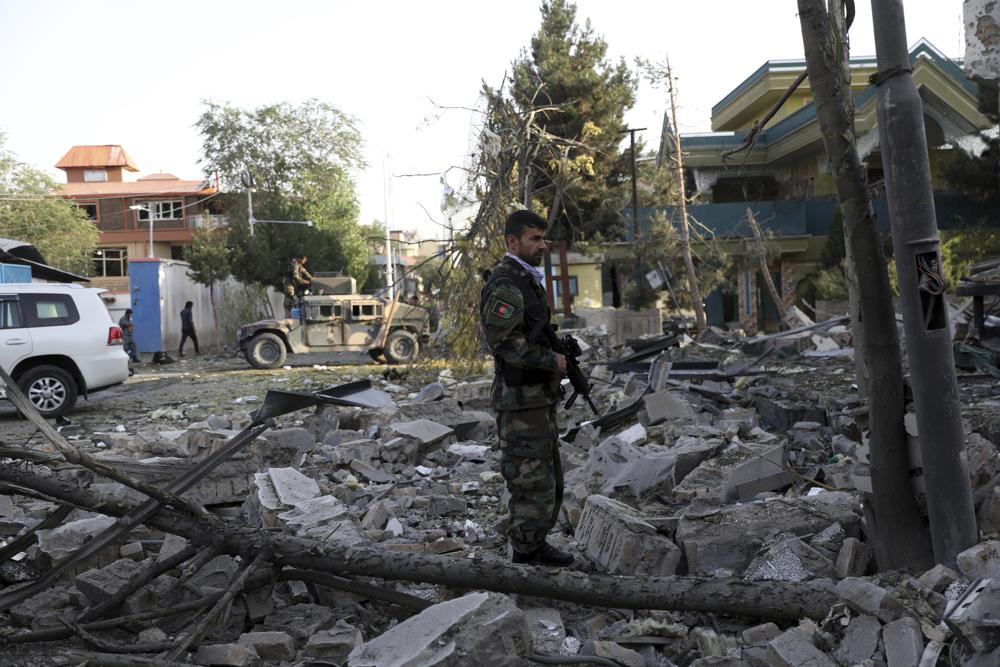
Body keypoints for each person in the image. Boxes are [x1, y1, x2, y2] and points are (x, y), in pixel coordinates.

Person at [479, 209, 572, 567]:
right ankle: (524, 560)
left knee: (548, 481)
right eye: (534, 239)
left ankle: (534, 546)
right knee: (531, 484)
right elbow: (503, 343)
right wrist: (552, 362)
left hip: (535, 400)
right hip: (519, 404)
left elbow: (531, 333)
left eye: (543, 238)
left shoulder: (526, 280)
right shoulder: (506, 283)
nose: (542, 245)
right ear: (512, 242)